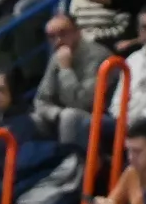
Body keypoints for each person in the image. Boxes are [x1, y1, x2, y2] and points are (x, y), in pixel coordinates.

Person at [34, 13, 113, 144]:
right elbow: (41, 99)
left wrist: (66, 69)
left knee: (69, 116)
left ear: (77, 32)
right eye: (52, 37)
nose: (58, 41)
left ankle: (75, 161)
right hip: (64, 114)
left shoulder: (99, 56)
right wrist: (56, 114)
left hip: (100, 116)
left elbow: (84, 104)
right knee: (32, 120)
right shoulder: (57, 56)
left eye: (63, 33)